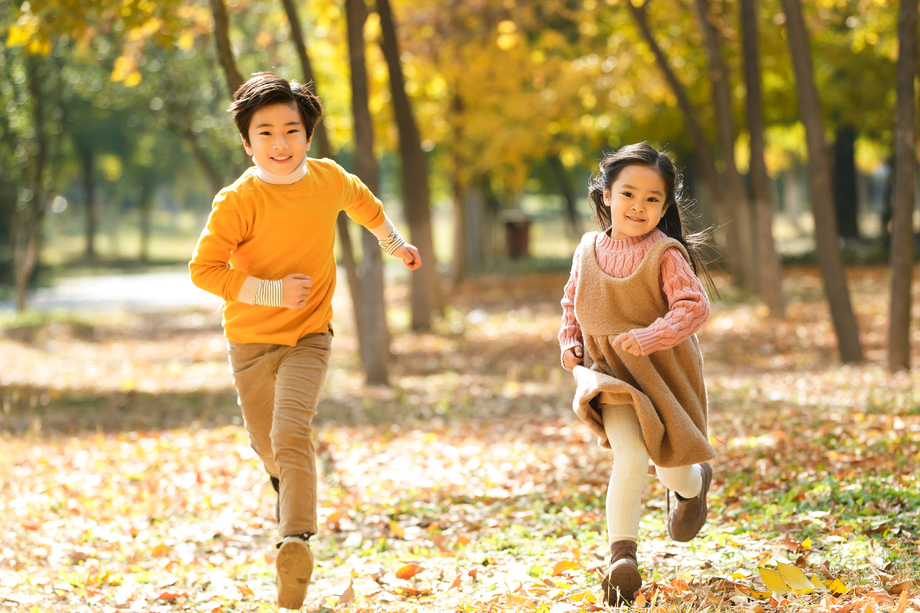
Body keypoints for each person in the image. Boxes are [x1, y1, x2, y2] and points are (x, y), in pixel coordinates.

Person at [189, 71, 421, 610]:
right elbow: (204, 270)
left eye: (291, 130)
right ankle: (284, 490)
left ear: (308, 136)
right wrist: (268, 290)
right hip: (248, 341)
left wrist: (394, 243)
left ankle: (294, 541)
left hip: (309, 336)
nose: (280, 143)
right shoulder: (237, 201)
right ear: (247, 143)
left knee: (291, 431)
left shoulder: (327, 179)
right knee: (267, 445)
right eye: (265, 133)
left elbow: (365, 204)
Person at [558, 142, 717, 605]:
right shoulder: (587, 249)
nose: (639, 207)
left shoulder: (665, 253)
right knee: (628, 458)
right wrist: (571, 346)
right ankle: (621, 558)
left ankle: (694, 486)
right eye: (628, 194)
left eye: (652, 199)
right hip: (609, 376)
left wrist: (651, 335)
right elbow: (572, 303)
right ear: (606, 195)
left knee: (672, 471)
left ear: (665, 207)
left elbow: (693, 306)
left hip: (661, 375)